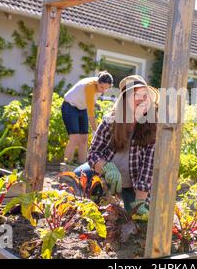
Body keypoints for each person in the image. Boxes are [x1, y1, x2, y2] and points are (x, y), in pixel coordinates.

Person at [87, 75, 159, 217]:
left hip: (132, 186)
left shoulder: (152, 128)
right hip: (106, 180)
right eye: (136, 95)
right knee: (82, 184)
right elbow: (92, 154)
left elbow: (148, 168)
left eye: (145, 96)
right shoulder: (110, 122)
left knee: (133, 217)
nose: (142, 100)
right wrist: (106, 167)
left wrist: (139, 202)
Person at [61, 71, 113, 165]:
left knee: (84, 139)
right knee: (74, 138)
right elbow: (91, 113)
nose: (103, 91)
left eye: (106, 88)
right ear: (97, 82)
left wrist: (95, 103)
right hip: (69, 106)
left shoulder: (101, 86)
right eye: (102, 87)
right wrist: (96, 132)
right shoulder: (89, 86)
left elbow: (89, 100)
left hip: (82, 108)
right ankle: (65, 166)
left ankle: (80, 167)